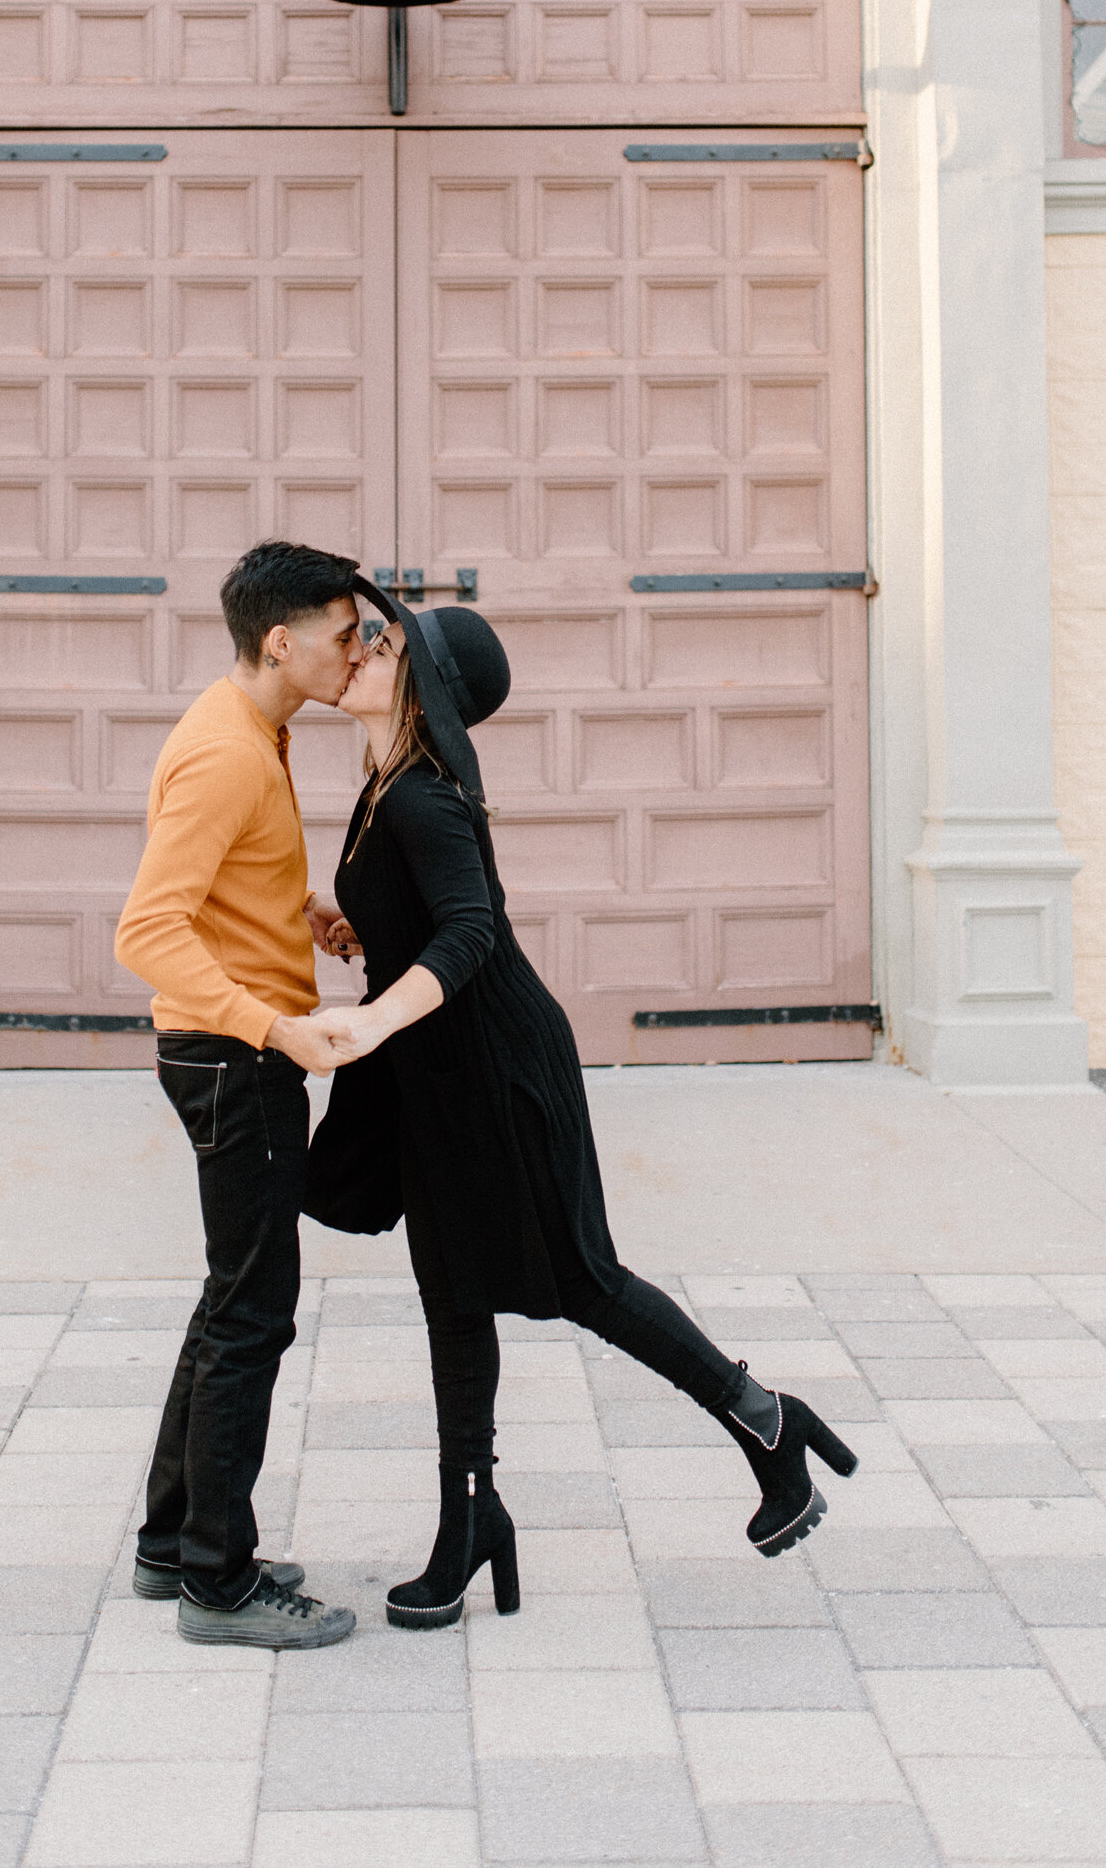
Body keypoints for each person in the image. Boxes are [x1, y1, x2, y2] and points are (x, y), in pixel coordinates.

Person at [311, 585, 858, 1631]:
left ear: (422, 686)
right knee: (453, 1287)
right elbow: (424, 921)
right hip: (441, 1076)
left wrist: (376, 1020)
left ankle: (765, 1420)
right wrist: (355, 931)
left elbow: (469, 932)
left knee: (580, 1278)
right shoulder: (387, 782)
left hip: (499, 1070)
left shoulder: (423, 796)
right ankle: (470, 1513)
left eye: (380, 641)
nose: (359, 648)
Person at [113, 540, 365, 1651]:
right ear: (282, 640)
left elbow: (216, 880)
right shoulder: (226, 751)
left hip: (231, 1052)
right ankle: (222, 1580)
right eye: (342, 633)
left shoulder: (249, 730)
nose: (356, 652)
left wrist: (294, 903)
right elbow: (149, 927)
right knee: (256, 1315)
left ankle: (175, 1546)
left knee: (230, 1302)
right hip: (237, 1061)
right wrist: (280, 1031)